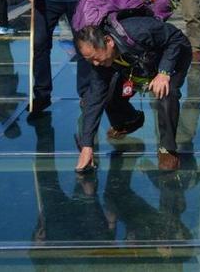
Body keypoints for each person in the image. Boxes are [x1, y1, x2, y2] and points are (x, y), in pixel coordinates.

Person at [74, 14, 192, 173]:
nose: (95, 63)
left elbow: (175, 37)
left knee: (166, 92)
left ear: (108, 41)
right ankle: (130, 120)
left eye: (95, 57)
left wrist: (164, 72)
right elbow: (95, 99)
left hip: (171, 58)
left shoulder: (138, 30)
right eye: (89, 60)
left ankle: (167, 149)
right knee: (106, 93)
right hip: (136, 65)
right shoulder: (101, 61)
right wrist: (87, 146)